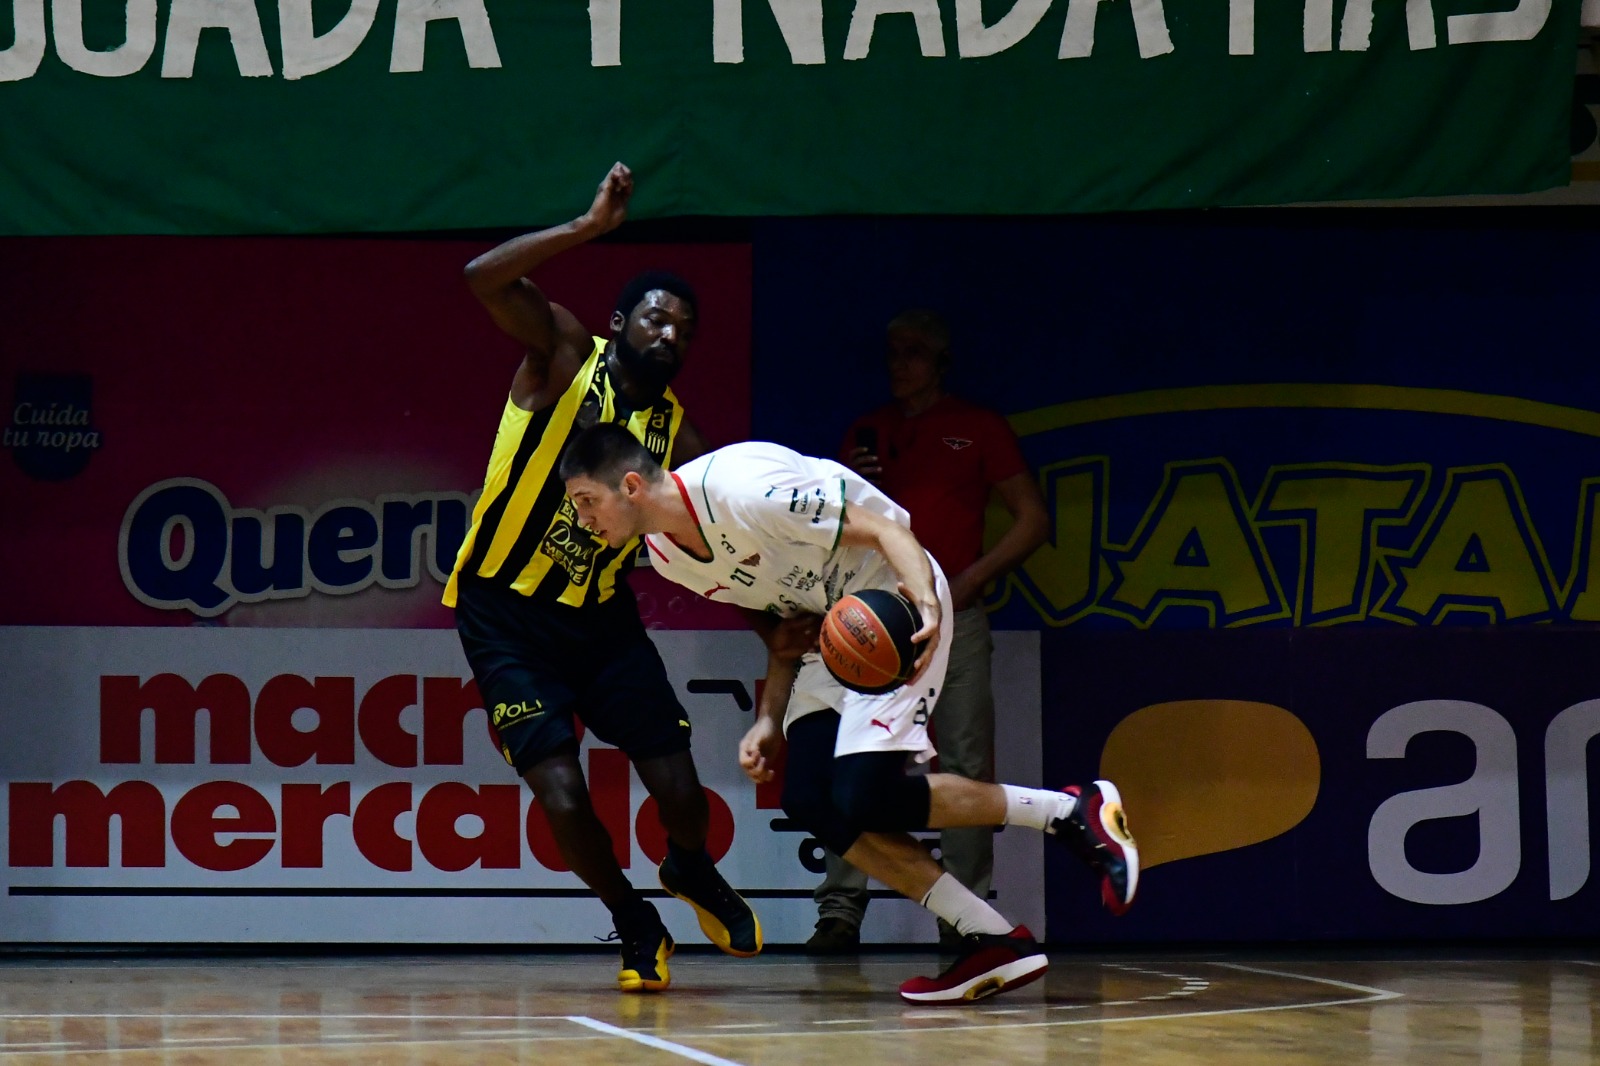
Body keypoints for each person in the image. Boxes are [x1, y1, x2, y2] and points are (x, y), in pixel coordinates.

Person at [559, 425, 1139, 1005]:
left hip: (891, 601)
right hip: (834, 629)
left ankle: (1070, 810)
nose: (583, 519)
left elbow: (888, 530)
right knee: (810, 799)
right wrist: (769, 717)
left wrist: (928, 606)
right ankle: (992, 937)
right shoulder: (667, 558)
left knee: (865, 796)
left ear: (631, 485)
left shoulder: (744, 490)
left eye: (587, 501)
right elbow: (791, 621)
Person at [441, 162, 760, 994]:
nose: (671, 337)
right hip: (503, 612)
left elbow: (718, 536)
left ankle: (687, 869)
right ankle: (629, 914)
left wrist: (777, 620)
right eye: (658, 319)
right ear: (623, 322)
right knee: (563, 793)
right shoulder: (564, 354)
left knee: (683, 791)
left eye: (686, 331)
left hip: (601, 618)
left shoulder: (675, 433)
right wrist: (588, 228)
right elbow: (480, 278)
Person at [812, 308, 1051, 952]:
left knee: (966, 759)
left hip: (955, 617)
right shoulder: (868, 431)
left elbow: (1032, 519)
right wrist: (859, 485)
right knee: (854, 763)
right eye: (892, 351)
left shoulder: (976, 427)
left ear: (941, 361)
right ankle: (840, 911)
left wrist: (970, 580)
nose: (899, 362)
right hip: (874, 624)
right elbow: (834, 531)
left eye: (913, 351)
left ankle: (964, 917)